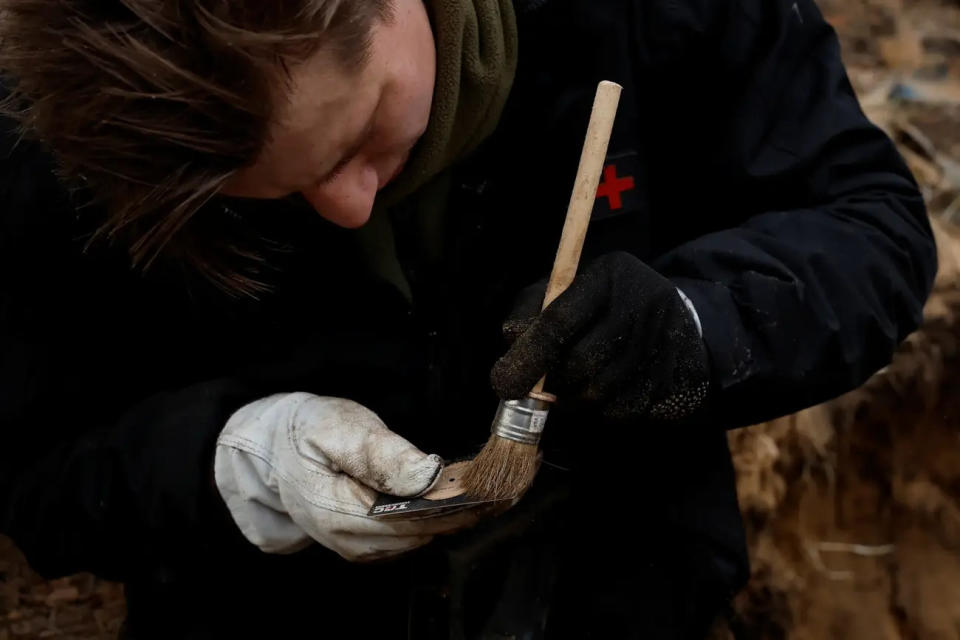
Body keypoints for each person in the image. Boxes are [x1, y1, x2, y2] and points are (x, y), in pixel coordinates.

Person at [0, 0, 936, 637]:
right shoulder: (81, 133)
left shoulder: (642, 16)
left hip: (628, 596)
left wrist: (696, 323)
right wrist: (238, 458)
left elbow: (872, 231)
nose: (352, 209)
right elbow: (39, 473)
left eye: (363, 135)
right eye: (274, 195)